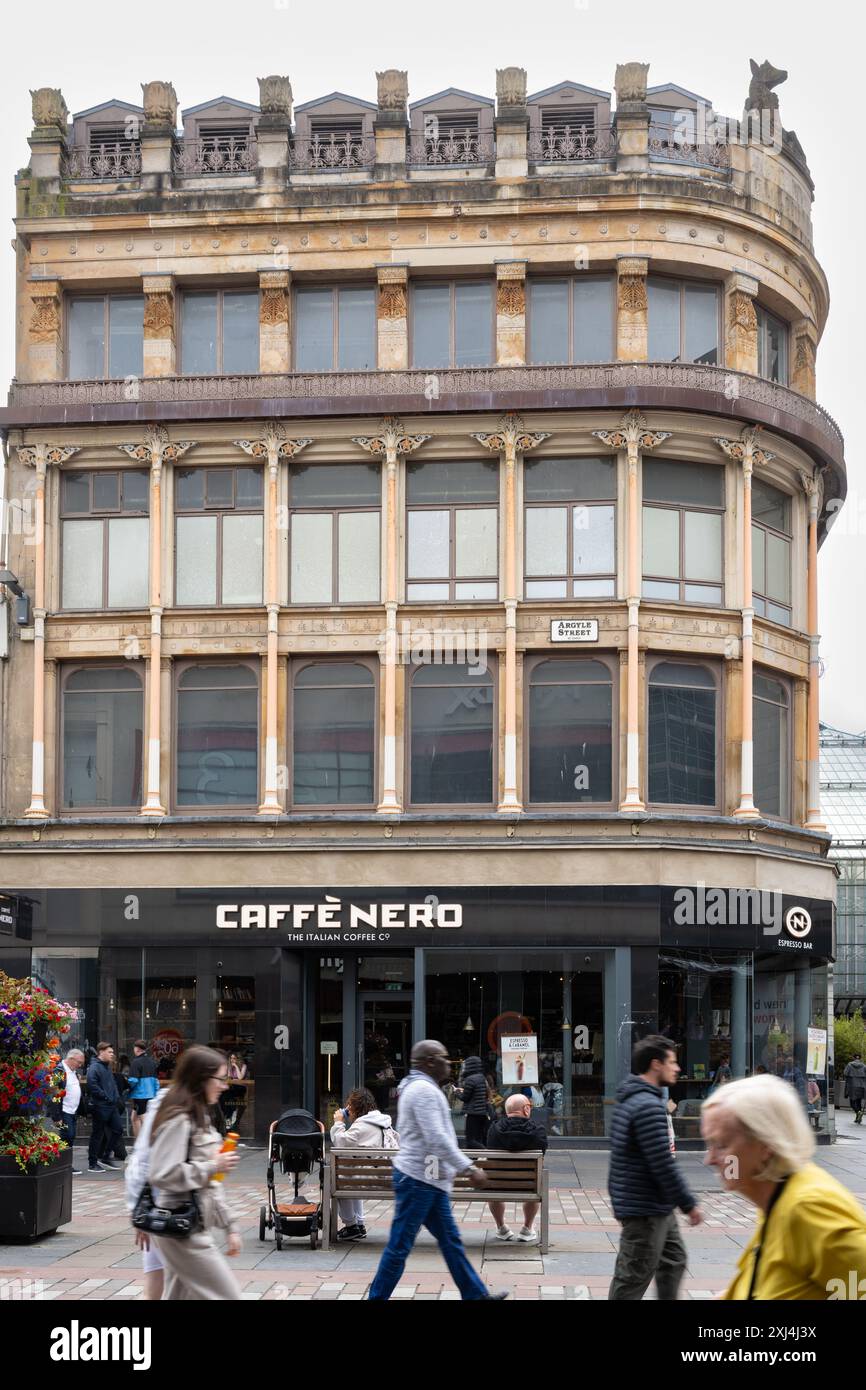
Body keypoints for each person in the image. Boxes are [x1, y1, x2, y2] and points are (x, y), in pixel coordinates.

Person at [702, 1073, 866, 1298]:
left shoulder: (809, 1210)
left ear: (765, 1145)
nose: (709, 1159)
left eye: (720, 1145)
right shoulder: (776, 1198)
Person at [368, 1040, 507, 1301]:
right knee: (399, 1247)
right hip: (417, 1181)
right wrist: (468, 1168)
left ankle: (476, 1295)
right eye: (444, 1057)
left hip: (427, 1181)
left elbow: (435, 1139)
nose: (449, 1062)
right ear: (430, 1062)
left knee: (451, 1242)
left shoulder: (421, 1087)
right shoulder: (423, 1091)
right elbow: (437, 1138)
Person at [608, 1034, 703, 1301]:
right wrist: (688, 1204)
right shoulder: (647, 1106)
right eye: (672, 1062)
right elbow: (662, 1162)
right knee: (632, 1278)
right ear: (655, 1065)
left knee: (673, 1260)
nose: (678, 1068)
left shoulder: (633, 1099)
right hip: (645, 1208)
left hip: (652, 1203)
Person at [148, 1045, 242, 1300]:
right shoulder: (180, 1119)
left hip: (192, 1224)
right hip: (182, 1229)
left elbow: (211, 1185)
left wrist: (230, 1226)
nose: (225, 1085)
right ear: (201, 1078)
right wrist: (214, 1165)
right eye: (221, 1079)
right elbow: (162, 1173)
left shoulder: (201, 1117)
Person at [330, 1087, 398, 1242]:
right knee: (352, 1175)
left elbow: (339, 1142)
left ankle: (351, 1225)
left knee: (339, 1180)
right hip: (387, 1175)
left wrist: (338, 1122)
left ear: (354, 1108)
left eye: (349, 1106)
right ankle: (359, 1224)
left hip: (372, 1179)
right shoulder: (383, 1122)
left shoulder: (362, 1126)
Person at [486, 1093, 548, 1243]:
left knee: (492, 1179)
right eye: (530, 1107)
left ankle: (501, 1228)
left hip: (497, 1185)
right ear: (526, 1109)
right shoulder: (538, 1130)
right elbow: (543, 1153)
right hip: (528, 1185)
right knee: (538, 1177)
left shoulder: (494, 1130)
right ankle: (527, 1229)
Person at [125, 1086, 167, 1300]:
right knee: (157, 1273)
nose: (223, 1085)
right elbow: (140, 1164)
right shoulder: (172, 1109)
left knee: (155, 1272)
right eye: (218, 1078)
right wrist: (138, 1213)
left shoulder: (188, 1108)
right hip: (165, 1213)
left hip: (164, 1212)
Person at [85, 1042, 124, 1173]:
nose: (112, 1054)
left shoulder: (107, 1066)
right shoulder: (94, 1067)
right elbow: (92, 1085)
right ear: (101, 1052)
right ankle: (92, 1163)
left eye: (112, 1052)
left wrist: (116, 1098)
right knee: (97, 1134)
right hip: (100, 1106)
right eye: (109, 1052)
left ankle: (106, 1157)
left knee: (118, 1129)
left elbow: (112, 1084)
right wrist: (106, 1097)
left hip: (111, 1105)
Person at [57, 1048, 85, 1175]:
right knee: (67, 1136)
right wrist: (56, 1116)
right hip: (63, 1111)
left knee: (70, 1137)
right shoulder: (58, 1071)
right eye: (79, 1062)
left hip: (72, 1111)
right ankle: (63, 1165)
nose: (80, 1065)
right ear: (71, 1059)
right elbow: (53, 1095)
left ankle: (65, 1165)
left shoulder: (73, 1072)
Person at [127, 1040, 160, 1138]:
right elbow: (156, 1081)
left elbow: (133, 1080)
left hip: (140, 1095)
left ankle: (149, 1143)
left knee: (144, 1120)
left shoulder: (135, 1062)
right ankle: (138, 1143)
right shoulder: (152, 1062)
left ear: (137, 1049)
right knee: (134, 1118)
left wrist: (126, 1087)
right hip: (151, 1094)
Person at [455, 1056, 491, 1148]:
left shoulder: (470, 1079)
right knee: (478, 1139)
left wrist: (457, 1092)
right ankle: (476, 1159)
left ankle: (487, 1153)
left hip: (473, 1113)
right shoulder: (481, 1078)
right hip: (482, 1113)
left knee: (470, 1140)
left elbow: (465, 1098)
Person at [844, 1053, 866, 1124]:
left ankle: (858, 1112)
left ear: (853, 1058)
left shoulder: (849, 1065)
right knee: (858, 1102)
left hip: (852, 1086)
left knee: (852, 1103)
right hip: (861, 1086)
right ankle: (858, 1118)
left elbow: (845, 1073)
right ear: (860, 1058)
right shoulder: (864, 1066)